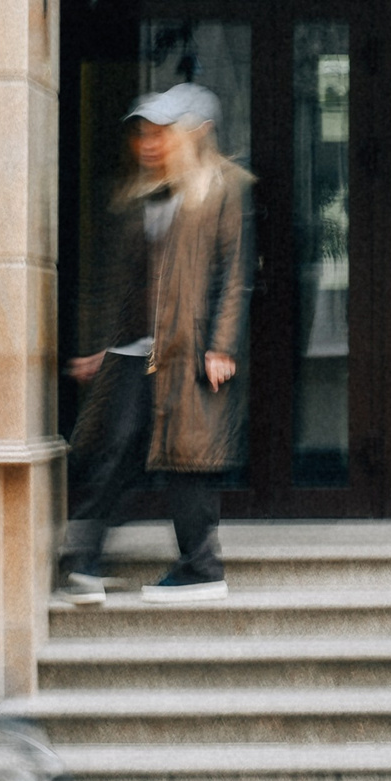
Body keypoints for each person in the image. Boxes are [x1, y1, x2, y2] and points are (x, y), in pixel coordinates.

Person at [58, 83, 252, 606]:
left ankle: (201, 567)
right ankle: (87, 561)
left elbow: (233, 274)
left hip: (186, 348)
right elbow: (126, 282)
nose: (150, 142)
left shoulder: (222, 189)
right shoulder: (144, 195)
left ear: (195, 133)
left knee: (189, 454)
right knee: (118, 445)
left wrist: (221, 345)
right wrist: (104, 346)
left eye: (163, 131)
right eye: (145, 133)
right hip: (136, 350)